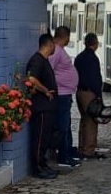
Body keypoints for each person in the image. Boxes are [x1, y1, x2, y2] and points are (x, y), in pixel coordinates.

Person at [26, 33, 59, 179]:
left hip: (48, 108)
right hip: (41, 108)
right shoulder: (37, 60)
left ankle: (43, 163)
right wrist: (45, 91)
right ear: (49, 44)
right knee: (39, 138)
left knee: (45, 138)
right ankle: (37, 167)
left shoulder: (45, 61)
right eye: (53, 44)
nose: (54, 47)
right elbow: (31, 79)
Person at [48, 26, 80, 168]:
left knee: (66, 125)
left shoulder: (59, 50)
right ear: (66, 37)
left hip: (65, 93)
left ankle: (67, 153)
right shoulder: (56, 51)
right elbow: (50, 70)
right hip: (61, 95)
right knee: (63, 126)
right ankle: (63, 157)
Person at [74, 33, 107, 160]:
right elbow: (95, 79)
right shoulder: (93, 58)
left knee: (84, 120)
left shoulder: (79, 57)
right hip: (89, 94)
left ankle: (82, 147)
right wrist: (99, 96)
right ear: (96, 43)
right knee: (91, 122)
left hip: (79, 92)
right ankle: (89, 151)